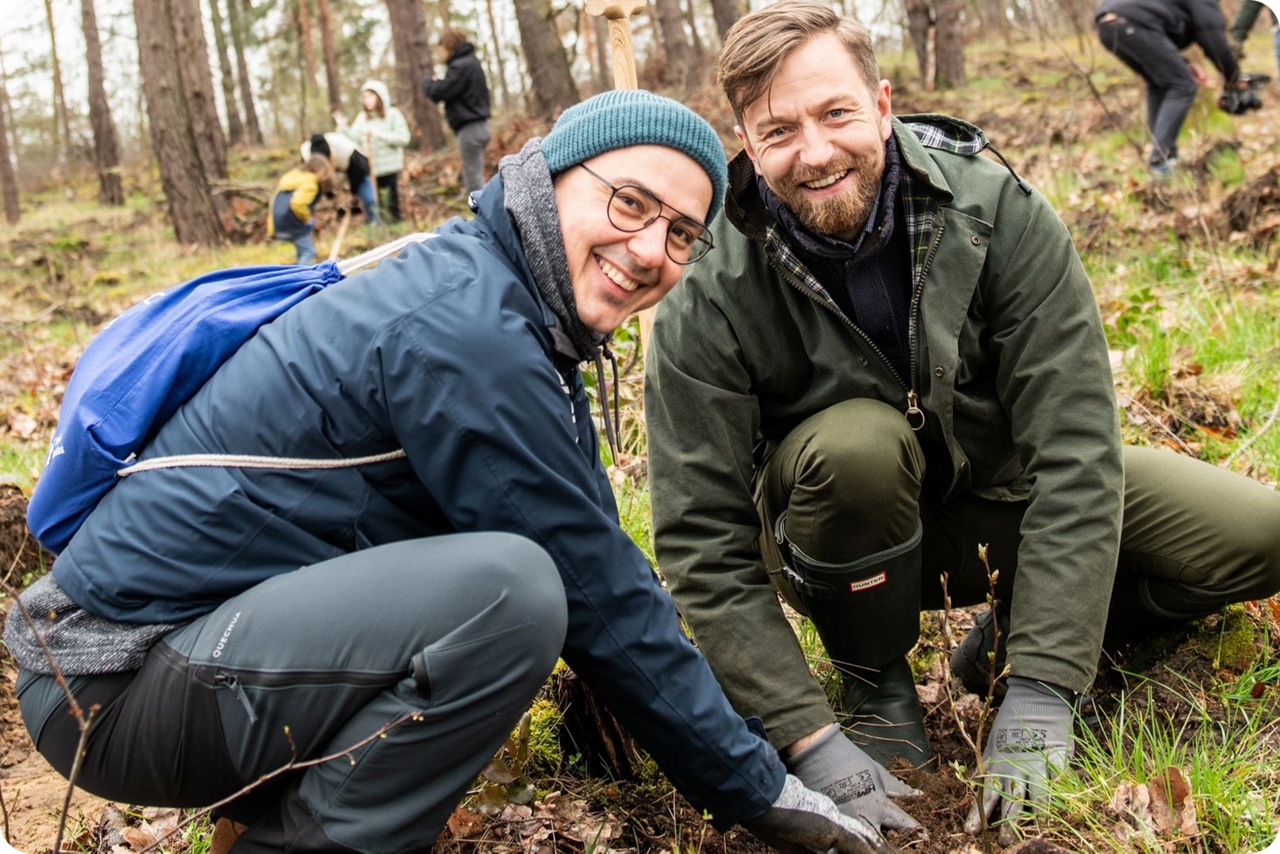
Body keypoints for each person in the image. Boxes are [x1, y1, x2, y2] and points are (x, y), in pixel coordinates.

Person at [5, 90, 896, 854]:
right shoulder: (468, 333)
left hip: (180, 655)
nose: (650, 249)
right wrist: (760, 790)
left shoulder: (503, 297)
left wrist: (774, 744)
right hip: (114, 684)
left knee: (513, 585)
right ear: (551, 178)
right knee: (510, 595)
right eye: (629, 202)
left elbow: (600, 547)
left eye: (680, 234)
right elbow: (594, 592)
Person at [644, 0, 1280, 845]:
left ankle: (1009, 650)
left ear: (882, 103)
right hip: (842, 537)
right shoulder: (711, 282)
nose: (816, 150)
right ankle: (879, 688)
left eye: (836, 113)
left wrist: (1047, 686)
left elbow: (1077, 451)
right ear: (749, 146)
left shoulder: (997, 210)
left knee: (1261, 534)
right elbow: (700, 543)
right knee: (857, 448)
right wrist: (807, 734)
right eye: (779, 131)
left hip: (1001, 499)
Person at [1095, 0, 1250, 175]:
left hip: (1108, 27)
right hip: (1133, 23)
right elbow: (1213, 38)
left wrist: (1185, 64)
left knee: (1159, 84)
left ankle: (1166, 157)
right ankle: (1160, 160)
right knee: (1183, 85)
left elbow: (1159, 35)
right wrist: (1233, 78)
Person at [423, 27, 493, 197]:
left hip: (471, 129)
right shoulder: (470, 62)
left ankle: (486, 219)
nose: (440, 53)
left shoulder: (461, 66)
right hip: (480, 127)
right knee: (476, 176)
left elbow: (442, 91)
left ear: (449, 46)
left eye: (441, 49)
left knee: (473, 181)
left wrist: (428, 83)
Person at [335, 80, 410, 222]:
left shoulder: (393, 115)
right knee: (374, 204)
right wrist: (342, 127)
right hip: (371, 169)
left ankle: (396, 229)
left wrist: (380, 135)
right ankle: (378, 232)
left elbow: (404, 138)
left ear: (379, 96)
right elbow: (354, 139)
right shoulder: (363, 118)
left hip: (389, 168)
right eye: (365, 97)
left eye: (370, 96)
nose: (367, 100)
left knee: (391, 204)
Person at [266, 153, 334, 264]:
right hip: (293, 221)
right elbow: (298, 204)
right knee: (309, 252)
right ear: (321, 171)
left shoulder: (294, 176)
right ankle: (301, 277)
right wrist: (306, 219)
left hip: (279, 219)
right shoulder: (311, 183)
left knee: (302, 250)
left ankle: (298, 270)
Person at [303, 132, 380, 225]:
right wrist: (328, 193)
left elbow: (359, 171)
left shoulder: (345, 149)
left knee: (369, 199)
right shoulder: (306, 154)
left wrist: (354, 192)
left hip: (356, 168)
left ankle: (374, 223)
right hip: (333, 172)